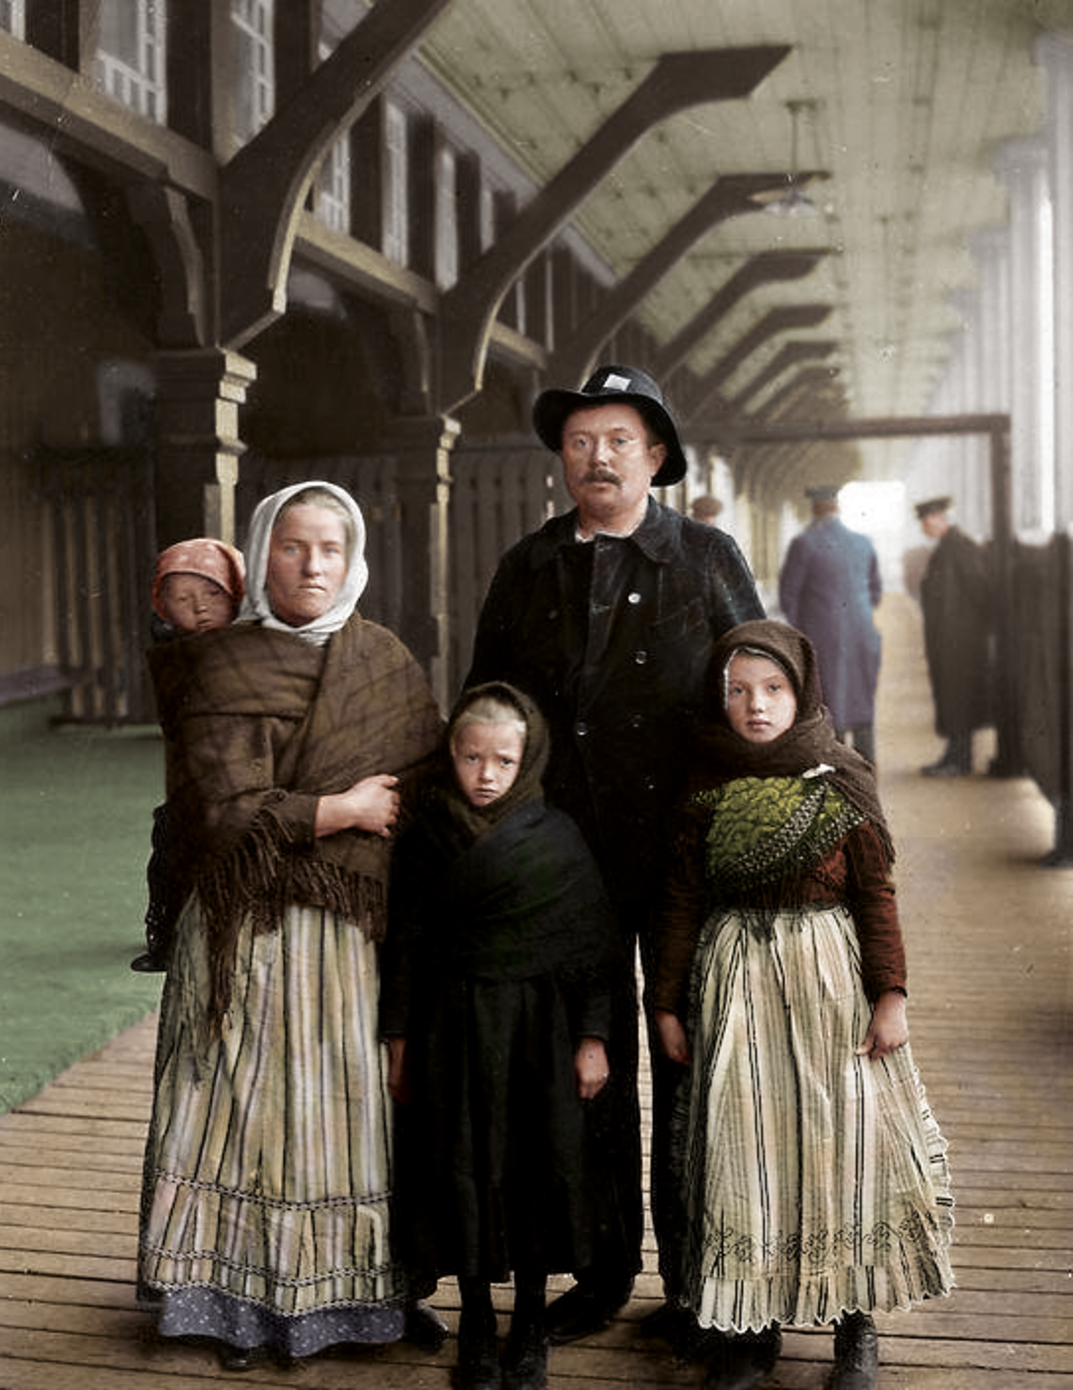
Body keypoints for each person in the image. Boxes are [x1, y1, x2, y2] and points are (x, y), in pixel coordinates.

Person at [464, 364, 765, 1345]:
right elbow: (490, 705)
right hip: (567, 865)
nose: (598, 457)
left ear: (659, 458)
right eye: (580, 441)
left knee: (689, 1058)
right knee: (581, 1068)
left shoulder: (707, 556)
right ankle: (597, 1274)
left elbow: (764, 689)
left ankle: (695, 1281)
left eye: (620, 441)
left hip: (688, 860)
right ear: (561, 457)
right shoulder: (528, 564)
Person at [137, 482, 444, 1371]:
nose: (313, 567)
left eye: (331, 550)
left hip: (347, 938)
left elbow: (421, 785)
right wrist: (337, 809)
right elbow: (218, 810)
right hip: (248, 927)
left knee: (341, 1112)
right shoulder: (223, 662)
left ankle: (355, 1299)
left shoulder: (382, 658)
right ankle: (232, 1302)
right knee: (241, 1105)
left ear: (354, 563)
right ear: (260, 552)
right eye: (292, 547)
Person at [653, 619, 954, 1390]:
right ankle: (748, 1336)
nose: (756, 706)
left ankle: (856, 1324)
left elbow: (875, 896)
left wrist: (889, 994)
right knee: (745, 1154)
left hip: (828, 983)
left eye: (773, 689)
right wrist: (666, 1003)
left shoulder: (842, 778)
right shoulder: (702, 785)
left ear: (803, 691)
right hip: (737, 987)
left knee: (847, 1145)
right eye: (738, 692)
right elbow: (681, 901)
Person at [381, 682, 619, 1390]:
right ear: (450, 754)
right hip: (452, 1027)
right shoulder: (427, 835)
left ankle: (531, 1323)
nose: (485, 775)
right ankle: (479, 1319)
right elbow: (405, 945)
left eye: (504, 761)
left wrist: (593, 1037)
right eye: (470, 756)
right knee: (463, 1161)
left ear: (529, 760)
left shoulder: (558, 837)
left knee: (536, 1163)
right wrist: (398, 1039)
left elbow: (592, 950)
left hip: (537, 1030)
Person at [131, 537, 246, 973]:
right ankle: (167, 938)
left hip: (245, 775)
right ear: (162, 606)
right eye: (182, 599)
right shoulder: (171, 654)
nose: (199, 608)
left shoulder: (252, 643)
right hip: (193, 777)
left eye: (213, 594)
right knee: (170, 853)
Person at [779, 484, 882, 764]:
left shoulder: (804, 544)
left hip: (821, 638)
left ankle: (837, 773)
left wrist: (804, 631)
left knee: (827, 703)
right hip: (863, 636)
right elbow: (875, 591)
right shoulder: (864, 542)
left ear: (815, 509)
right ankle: (866, 769)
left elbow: (789, 596)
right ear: (838, 507)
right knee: (861, 701)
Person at [914, 495, 994, 776]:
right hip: (950, 641)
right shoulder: (950, 547)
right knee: (952, 698)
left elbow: (983, 592)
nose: (924, 529)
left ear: (937, 519)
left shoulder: (960, 548)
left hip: (961, 643)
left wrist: (971, 632)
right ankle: (954, 755)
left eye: (925, 523)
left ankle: (960, 762)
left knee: (959, 699)